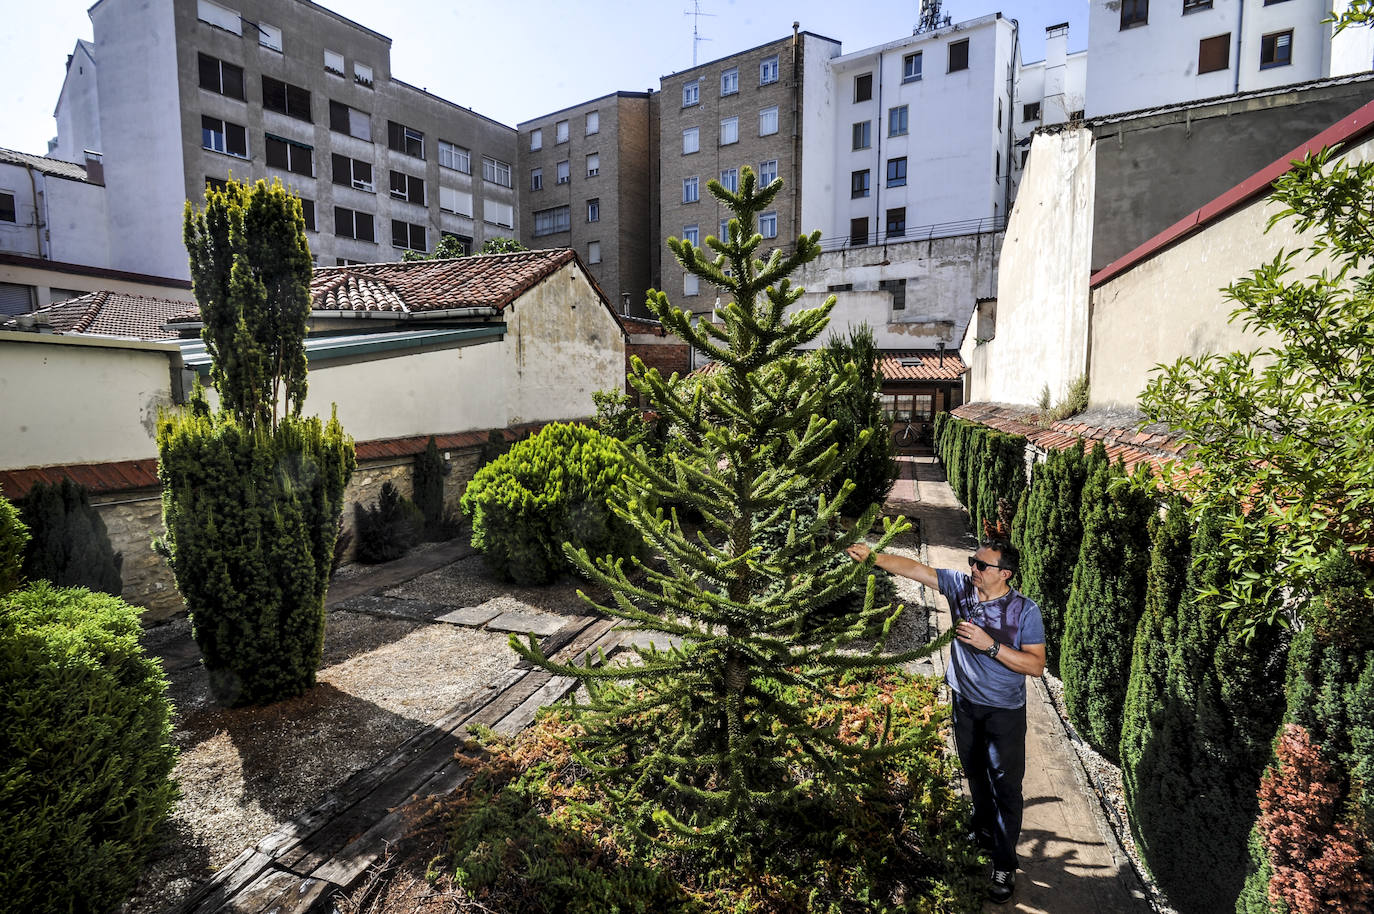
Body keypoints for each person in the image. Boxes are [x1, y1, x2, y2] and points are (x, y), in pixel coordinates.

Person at [846, 537, 1045, 905]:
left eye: (981, 565)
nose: (973, 569)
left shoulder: (1024, 611)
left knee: (1006, 787)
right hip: (964, 703)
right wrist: (874, 556)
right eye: (972, 561)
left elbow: (1035, 665)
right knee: (973, 771)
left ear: (1005, 574)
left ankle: (1004, 864)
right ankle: (983, 829)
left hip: (1003, 712)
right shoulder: (961, 588)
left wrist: (989, 644)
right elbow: (916, 570)